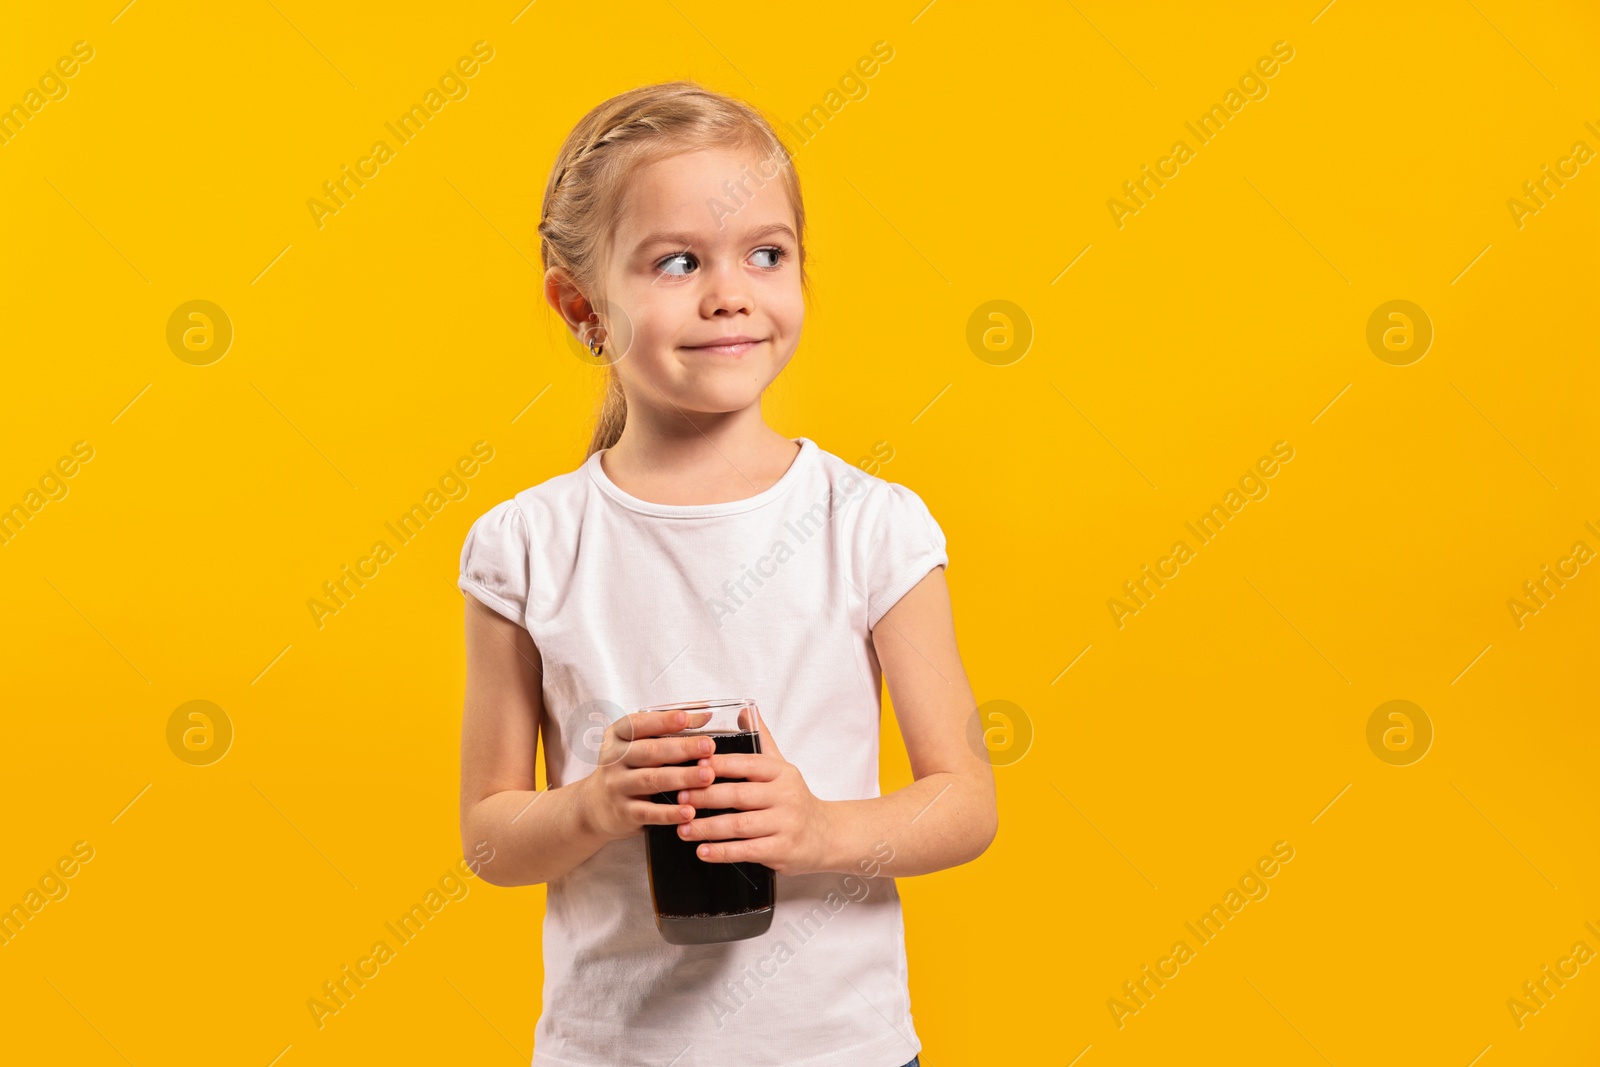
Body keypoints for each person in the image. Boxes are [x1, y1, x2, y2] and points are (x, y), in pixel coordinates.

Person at [457, 79, 996, 1066]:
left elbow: (964, 798)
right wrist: (590, 804)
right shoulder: (525, 544)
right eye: (676, 261)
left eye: (766, 252)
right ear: (583, 307)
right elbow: (490, 835)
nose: (729, 291)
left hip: (842, 1049)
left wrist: (818, 828)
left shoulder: (871, 525)